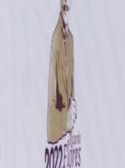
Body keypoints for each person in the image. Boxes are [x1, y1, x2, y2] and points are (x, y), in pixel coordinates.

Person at [46, 0, 75, 144]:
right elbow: (54, 88)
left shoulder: (70, 39)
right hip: (58, 123)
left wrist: (72, 104)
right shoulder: (56, 39)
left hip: (68, 118)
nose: (66, 4)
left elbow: (72, 79)